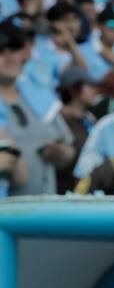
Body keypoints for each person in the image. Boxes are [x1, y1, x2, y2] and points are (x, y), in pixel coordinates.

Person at [0, 20, 75, 195]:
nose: (10, 57)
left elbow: (68, 151)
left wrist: (61, 154)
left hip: (43, 213)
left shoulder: (41, 97)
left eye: (14, 50)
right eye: (1, 51)